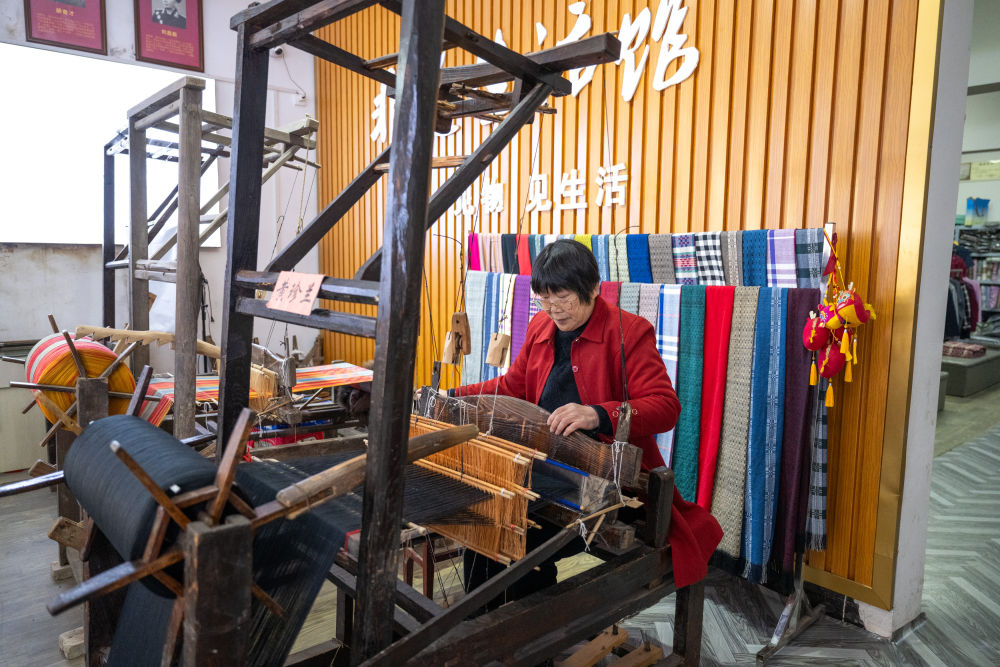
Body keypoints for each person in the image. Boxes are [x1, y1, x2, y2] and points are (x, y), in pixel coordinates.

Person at [452, 239, 722, 610]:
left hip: (607, 485)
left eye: (562, 297)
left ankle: (522, 632)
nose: (553, 309)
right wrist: (454, 395)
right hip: (547, 469)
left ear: (593, 288)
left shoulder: (629, 332)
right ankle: (485, 627)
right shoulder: (541, 326)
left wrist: (597, 413)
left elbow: (666, 407)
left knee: (518, 538)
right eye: (544, 298)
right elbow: (512, 386)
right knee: (487, 524)